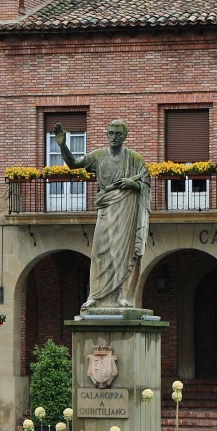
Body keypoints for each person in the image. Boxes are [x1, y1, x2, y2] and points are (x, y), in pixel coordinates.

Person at [55, 119, 150, 309]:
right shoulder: (98, 156)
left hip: (126, 210)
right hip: (107, 209)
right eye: (111, 133)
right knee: (99, 251)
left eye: (118, 133)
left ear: (124, 136)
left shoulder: (135, 159)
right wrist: (63, 145)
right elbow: (74, 164)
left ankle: (122, 296)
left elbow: (146, 182)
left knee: (122, 253)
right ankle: (96, 296)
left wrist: (135, 184)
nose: (113, 137)